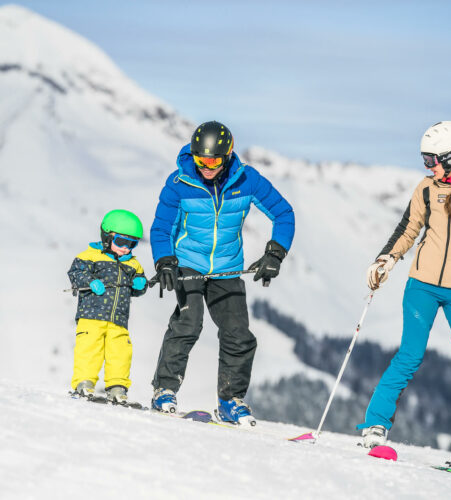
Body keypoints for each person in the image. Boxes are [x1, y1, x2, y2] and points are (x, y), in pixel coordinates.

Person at [358, 121, 451, 473]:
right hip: (421, 285)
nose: (428, 166)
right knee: (409, 356)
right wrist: (386, 258)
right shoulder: (426, 188)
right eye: (425, 159)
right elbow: (408, 228)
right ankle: (375, 425)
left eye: (433, 159)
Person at [150, 121, 295, 425]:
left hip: (227, 268)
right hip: (188, 262)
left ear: (227, 156)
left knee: (239, 334)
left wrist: (275, 253)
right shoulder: (180, 183)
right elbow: (162, 227)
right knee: (188, 323)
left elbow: (283, 213)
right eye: (200, 159)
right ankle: (164, 389)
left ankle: (230, 401)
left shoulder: (247, 180)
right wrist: (164, 260)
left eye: (213, 161)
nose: (206, 167)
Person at [68, 209, 147, 404]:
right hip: (91, 316)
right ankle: (84, 384)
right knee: (89, 349)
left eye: (132, 244)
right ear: (106, 236)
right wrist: (89, 281)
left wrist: (141, 283)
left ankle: (117, 388)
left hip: (118, 319)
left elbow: (139, 286)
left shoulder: (133, 264)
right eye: (121, 242)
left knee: (120, 352)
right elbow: (76, 273)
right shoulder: (90, 256)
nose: (126, 248)